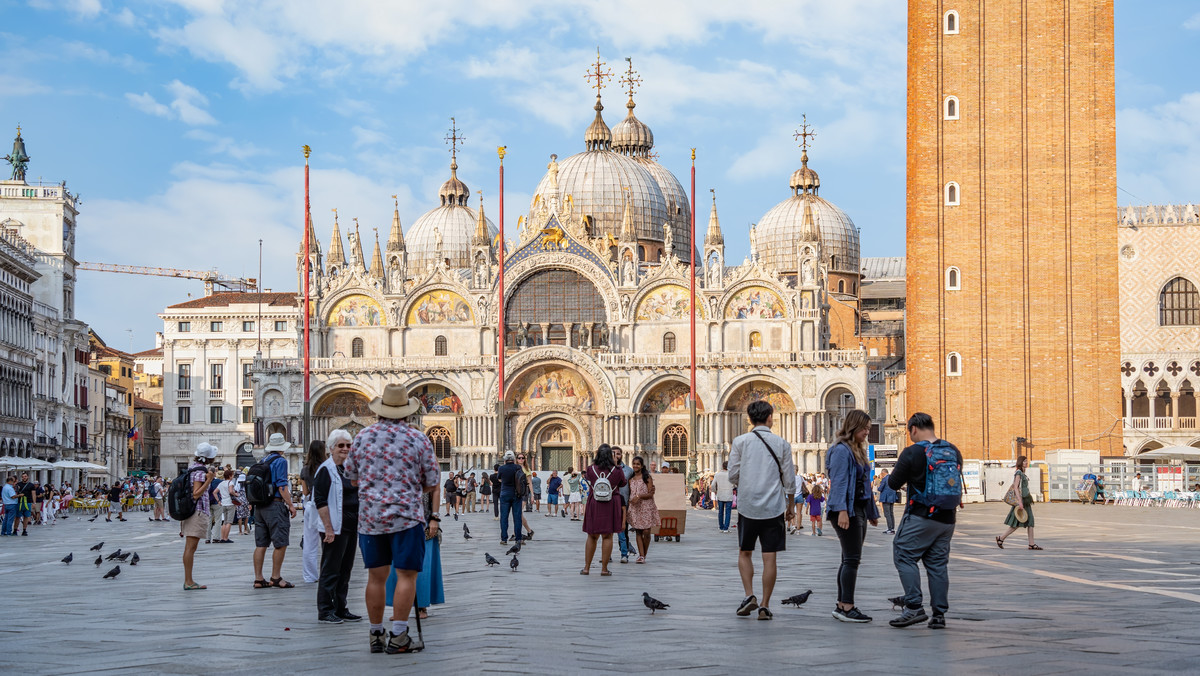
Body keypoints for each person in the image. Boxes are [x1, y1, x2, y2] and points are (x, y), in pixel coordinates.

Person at [343, 383, 439, 654]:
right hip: (406, 518)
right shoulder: (418, 439)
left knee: (376, 577)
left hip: (370, 518)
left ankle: (375, 635)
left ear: (380, 411)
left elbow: (351, 477)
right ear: (407, 414)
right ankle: (398, 636)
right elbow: (432, 482)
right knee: (406, 576)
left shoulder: (363, 437)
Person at [887, 412, 964, 630]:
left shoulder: (912, 452)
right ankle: (939, 614)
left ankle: (913, 607)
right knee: (938, 564)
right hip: (947, 518)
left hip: (921, 515)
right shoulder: (952, 450)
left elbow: (893, 483)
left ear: (913, 429)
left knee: (903, 554)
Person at [729, 400, 796, 621]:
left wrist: (746, 483)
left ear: (749, 419)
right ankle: (765, 606)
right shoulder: (782, 444)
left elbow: (732, 475)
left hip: (748, 506)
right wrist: (790, 506)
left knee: (744, 552)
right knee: (770, 558)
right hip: (773, 507)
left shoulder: (740, 442)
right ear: (769, 417)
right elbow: (789, 480)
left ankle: (749, 595)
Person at [826, 409, 880, 623]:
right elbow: (839, 482)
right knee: (851, 559)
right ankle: (847, 607)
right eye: (864, 428)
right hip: (846, 509)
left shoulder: (856, 449)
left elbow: (863, 485)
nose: (867, 432)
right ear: (854, 427)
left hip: (857, 508)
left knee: (848, 559)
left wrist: (871, 512)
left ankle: (842, 604)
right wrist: (842, 511)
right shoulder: (841, 450)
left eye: (868, 428)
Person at [314, 429, 361, 624]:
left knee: (345, 569)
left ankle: (341, 607)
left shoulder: (348, 468)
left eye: (348, 445)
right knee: (331, 569)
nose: (345, 449)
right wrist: (329, 528)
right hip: (334, 528)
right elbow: (320, 500)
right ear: (331, 448)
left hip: (351, 527)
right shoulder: (326, 469)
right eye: (341, 446)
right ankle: (325, 610)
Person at [253, 433, 298, 589]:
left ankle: (258, 579)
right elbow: (282, 486)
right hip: (275, 505)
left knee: (261, 544)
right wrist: (291, 505)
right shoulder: (280, 461)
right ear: (282, 448)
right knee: (280, 543)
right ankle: (276, 577)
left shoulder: (263, 460)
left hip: (259, 507)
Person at [581, 444, 627, 576]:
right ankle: (604, 569)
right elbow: (623, 483)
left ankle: (586, 568)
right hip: (611, 503)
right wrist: (616, 464)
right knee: (607, 536)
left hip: (594, 503)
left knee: (591, 535)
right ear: (610, 456)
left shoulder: (590, 469)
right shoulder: (617, 470)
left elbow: (588, 479)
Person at [182, 443, 218, 590]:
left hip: (192, 511)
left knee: (190, 547)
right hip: (196, 511)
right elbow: (196, 493)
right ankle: (188, 581)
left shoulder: (192, 468)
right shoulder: (200, 472)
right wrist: (209, 480)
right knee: (190, 548)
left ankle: (189, 580)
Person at [997, 455, 1041, 551]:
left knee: (1028, 522)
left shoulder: (1022, 473)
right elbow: (1016, 487)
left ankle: (1031, 544)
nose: (1026, 463)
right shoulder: (1018, 473)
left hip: (1026, 500)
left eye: (1026, 461)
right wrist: (1020, 502)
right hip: (1021, 501)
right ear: (1020, 462)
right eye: (1024, 461)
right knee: (1017, 523)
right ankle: (1001, 538)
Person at [300, 440, 326, 584]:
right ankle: (327, 573)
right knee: (328, 541)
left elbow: (305, 491)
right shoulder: (327, 467)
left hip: (311, 507)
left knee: (310, 543)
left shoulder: (305, 469)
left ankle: (310, 576)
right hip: (326, 506)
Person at [626, 456, 659, 564]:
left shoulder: (647, 477)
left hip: (646, 506)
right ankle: (641, 555)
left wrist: (639, 496)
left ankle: (643, 554)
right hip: (635, 507)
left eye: (638, 464)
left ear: (642, 465)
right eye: (634, 464)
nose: (635, 466)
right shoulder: (630, 479)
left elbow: (651, 493)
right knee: (638, 531)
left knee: (647, 531)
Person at [612, 446, 635, 563]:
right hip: (608, 503)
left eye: (618, 454)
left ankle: (624, 553)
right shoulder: (605, 469)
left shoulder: (629, 471)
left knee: (623, 530)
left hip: (623, 503)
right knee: (607, 531)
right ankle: (607, 554)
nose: (616, 456)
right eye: (614, 453)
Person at [712, 461, 734, 533]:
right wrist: (732, 487)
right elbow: (735, 483)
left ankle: (721, 527)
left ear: (722, 466)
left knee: (720, 511)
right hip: (728, 494)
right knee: (728, 512)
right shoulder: (731, 475)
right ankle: (726, 528)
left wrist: (715, 490)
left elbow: (712, 485)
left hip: (720, 494)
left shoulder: (717, 474)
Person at [215, 470, 237, 543]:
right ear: (230, 476)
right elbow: (231, 491)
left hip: (223, 503)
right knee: (229, 522)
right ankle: (226, 538)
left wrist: (218, 501)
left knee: (224, 522)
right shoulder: (230, 483)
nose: (233, 476)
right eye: (232, 475)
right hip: (230, 503)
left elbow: (214, 492)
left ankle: (222, 537)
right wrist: (235, 494)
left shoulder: (221, 483)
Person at [877, 468, 900, 534]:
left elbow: (880, 488)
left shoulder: (884, 479)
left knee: (887, 514)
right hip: (892, 498)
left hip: (885, 498)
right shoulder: (892, 478)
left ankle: (890, 529)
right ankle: (892, 528)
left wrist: (879, 486)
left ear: (883, 473)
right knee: (891, 513)